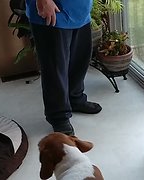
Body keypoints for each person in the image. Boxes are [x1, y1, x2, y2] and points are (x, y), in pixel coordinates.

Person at [25, 0, 102, 135]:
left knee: (80, 60)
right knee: (55, 68)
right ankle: (58, 116)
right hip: (53, 12)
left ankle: (75, 99)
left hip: (80, 10)